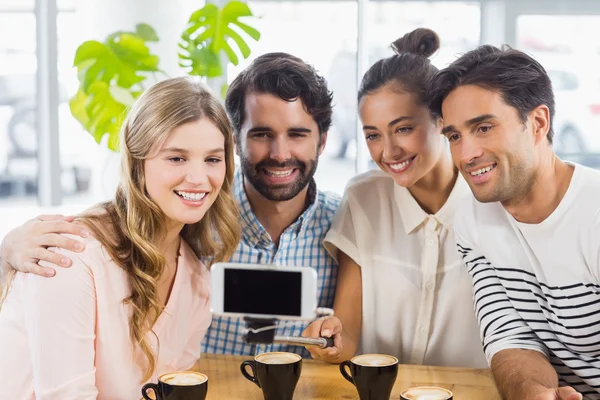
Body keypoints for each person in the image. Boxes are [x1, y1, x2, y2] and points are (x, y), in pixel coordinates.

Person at [0, 52, 340, 358]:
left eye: (297, 134)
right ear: (235, 141)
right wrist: (8, 251)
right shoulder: (195, 216)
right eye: (262, 134)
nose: (280, 154)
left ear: (322, 141)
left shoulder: (343, 226)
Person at [0, 77, 241, 398]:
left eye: (212, 159)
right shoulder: (71, 255)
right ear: (138, 164)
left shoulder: (196, 280)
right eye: (176, 158)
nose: (199, 178)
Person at [302, 28, 486, 368]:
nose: (388, 151)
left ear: (441, 120)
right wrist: (330, 342)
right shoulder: (363, 198)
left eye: (403, 128)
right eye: (373, 135)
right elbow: (348, 335)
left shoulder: (490, 202)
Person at [427, 44, 596, 400]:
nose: (466, 154)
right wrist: (533, 393)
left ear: (537, 123)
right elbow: (509, 335)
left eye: (484, 127)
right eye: (455, 136)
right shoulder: (473, 219)